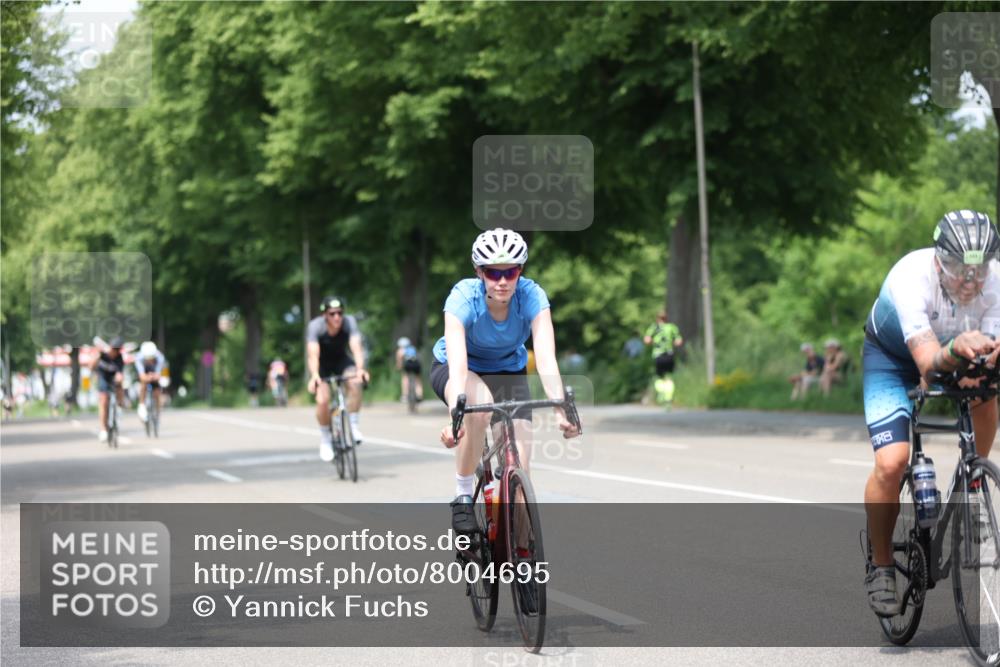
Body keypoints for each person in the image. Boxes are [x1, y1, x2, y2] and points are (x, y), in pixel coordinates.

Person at [862, 210, 1000, 617]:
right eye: (959, 269)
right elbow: (927, 364)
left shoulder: (994, 280)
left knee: (986, 391)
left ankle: (973, 483)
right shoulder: (910, 277)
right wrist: (958, 349)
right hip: (893, 360)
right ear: (939, 261)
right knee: (892, 463)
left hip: (953, 352)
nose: (971, 281)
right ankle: (882, 565)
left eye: (979, 269)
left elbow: (990, 354)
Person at [432, 228, 581, 535]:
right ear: (479, 272)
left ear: (520, 271)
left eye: (510, 272)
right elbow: (458, 367)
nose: (502, 281)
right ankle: (462, 495)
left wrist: (559, 411)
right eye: (492, 272)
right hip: (459, 369)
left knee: (520, 476)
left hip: (508, 372)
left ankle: (523, 557)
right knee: (481, 405)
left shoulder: (532, 296)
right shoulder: (462, 298)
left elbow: (546, 358)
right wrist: (456, 419)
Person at [306, 296, 370, 461]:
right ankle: (326, 438)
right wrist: (314, 376)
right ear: (324, 315)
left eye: (340, 313)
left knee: (355, 382)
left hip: (342, 361)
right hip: (322, 365)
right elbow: (313, 354)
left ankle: (353, 426)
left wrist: (360, 369)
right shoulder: (315, 326)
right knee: (322, 400)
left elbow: (356, 347)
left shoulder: (349, 322)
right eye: (332, 313)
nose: (337, 317)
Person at [643, 311, 683, 405]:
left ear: (658, 319)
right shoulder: (672, 327)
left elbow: (647, 340)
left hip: (658, 355)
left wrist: (653, 342)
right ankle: (668, 397)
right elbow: (679, 341)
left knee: (658, 377)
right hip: (669, 355)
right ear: (666, 318)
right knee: (669, 377)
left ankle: (661, 391)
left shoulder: (654, 327)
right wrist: (672, 343)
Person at [90, 337, 125, 442]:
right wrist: (97, 356)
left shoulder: (119, 358)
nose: (115, 352)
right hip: (103, 378)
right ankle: (103, 429)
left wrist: (119, 379)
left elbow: (120, 374)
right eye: (114, 349)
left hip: (113, 377)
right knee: (104, 400)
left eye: (117, 350)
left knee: (120, 386)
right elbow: (91, 366)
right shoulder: (102, 354)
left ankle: (119, 407)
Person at [136, 341, 167, 424]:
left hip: (155, 371)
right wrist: (146, 377)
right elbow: (141, 374)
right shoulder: (139, 357)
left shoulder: (160, 357)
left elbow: (159, 373)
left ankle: (157, 412)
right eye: (147, 358)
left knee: (157, 392)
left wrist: (156, 376)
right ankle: (142, 405)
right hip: (144, 371)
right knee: (143, 384)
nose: (149, 360)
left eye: (151, 358)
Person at [395, 337, 423, 403]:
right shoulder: (413, 349)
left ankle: (405, 395)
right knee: (418, 379)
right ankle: (420, 395)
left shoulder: (400, 350)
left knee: (405, 377)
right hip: (416, 364)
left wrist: (399, 367)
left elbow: (399, 361)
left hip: (408, 364)